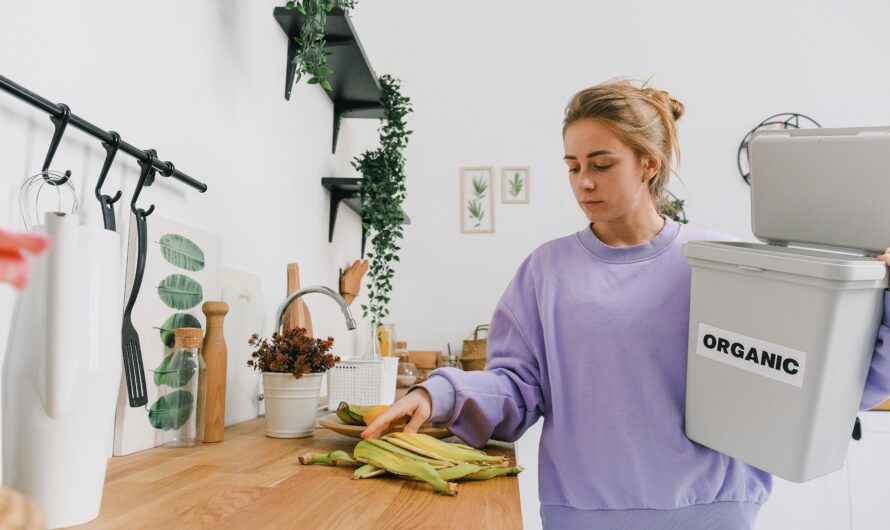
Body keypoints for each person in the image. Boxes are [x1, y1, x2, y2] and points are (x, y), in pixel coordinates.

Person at [361, 79, 890, 529]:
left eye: (601, 163)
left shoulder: (723, 264)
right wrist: (440, 395)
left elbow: (815, 383)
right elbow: (517, 390)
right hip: (583, 515)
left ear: (648, 165)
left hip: (711, 511)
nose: (583, 181)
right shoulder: (545, 272)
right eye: (572, 166)